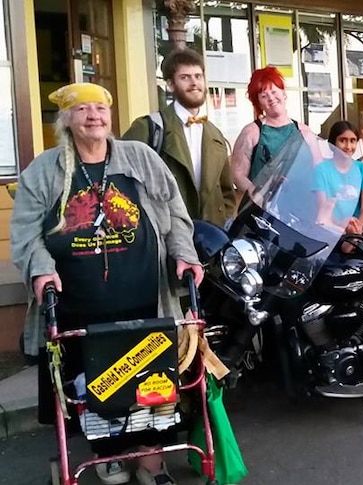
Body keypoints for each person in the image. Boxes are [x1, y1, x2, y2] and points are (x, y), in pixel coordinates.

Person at [10, 83, 203, 485]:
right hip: (77, 305)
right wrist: (42, 269)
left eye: (100, 108)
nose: (94, 116)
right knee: (89, 384)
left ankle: (153, 455)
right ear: (67, 119)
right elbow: (27, 233)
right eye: (83, 110)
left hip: (144, 298)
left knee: (152, 381)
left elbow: (175, 211)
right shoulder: (45, 170)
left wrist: (184, 253)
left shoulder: (140, 157)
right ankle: (107, 453)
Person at [123, 49, 235, 227]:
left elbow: (227, 192)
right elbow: (121, 180)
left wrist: (221, 224)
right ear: (170, 84)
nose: (194, 83)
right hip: (167, 234)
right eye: (185, 77)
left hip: (211, 240)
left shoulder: (215, 134)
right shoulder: (149, 128)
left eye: (198, 76)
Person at [232, 66, 320, 196]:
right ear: (259, 103)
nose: (271, 98)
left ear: (284, 93)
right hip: (264, 210)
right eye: (264, 96)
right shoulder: (251, 132)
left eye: (274, 92)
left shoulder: (305, 131)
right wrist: (258, 195)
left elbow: (320, 171)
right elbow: (238, 175)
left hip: (303, 205)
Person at [315, 121, 363, 233]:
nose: (348, 146)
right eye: (342, 140)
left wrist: (357, 227)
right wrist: (343, 225)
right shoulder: (321, 170)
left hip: (354, 230)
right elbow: (323, 208)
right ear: (332, 143)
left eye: (353, 141)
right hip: (329, 228)